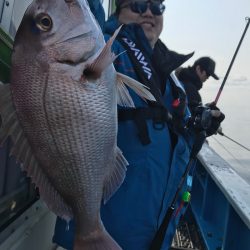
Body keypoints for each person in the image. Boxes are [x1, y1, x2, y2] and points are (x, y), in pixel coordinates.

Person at [53, 1, 225, 249]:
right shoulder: (103, 48)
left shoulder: (170, 76)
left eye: (156, 7)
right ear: (118, 10)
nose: (148, 12)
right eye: (138, 4)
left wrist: (200, 124)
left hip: (153, 234)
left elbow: (179, 130)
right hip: (103, 232)